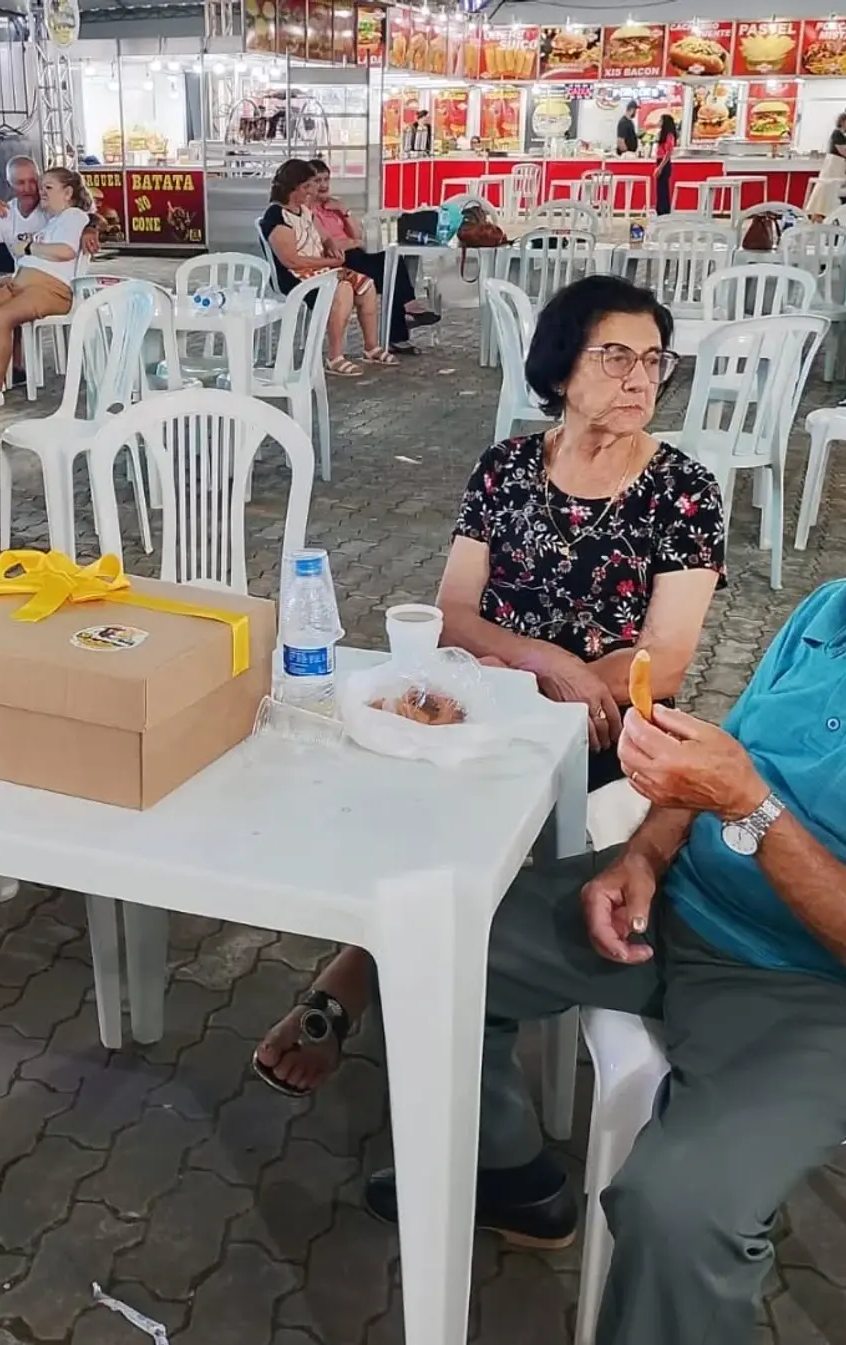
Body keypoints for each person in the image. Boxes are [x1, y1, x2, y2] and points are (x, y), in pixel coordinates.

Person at [254, 275, 726, 1096]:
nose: (640, 377)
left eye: (654, 359)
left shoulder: (682, 489)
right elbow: (455, 610)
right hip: (490, 701)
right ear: (560, 365)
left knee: (461, 833)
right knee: (374, 787)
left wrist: (538, 686)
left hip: (608, 729)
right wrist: (548, 665)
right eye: (616, 354)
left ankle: (377, 999)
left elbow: (664, 662)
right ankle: (391, 978)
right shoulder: (506, 466)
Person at [368, 577, 846, 1345]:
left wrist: (750, 803)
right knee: (431, 949)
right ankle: (506, 1175)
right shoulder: (830, 608)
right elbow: (723, 763)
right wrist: (644, 857)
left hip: (807, 988)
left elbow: (740, 786)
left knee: (682, 1213)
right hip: (677, 900)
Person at [0, 166, 92, 409]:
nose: (40, 191)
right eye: (41, 187)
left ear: (67, 193)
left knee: (1, 317)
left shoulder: (73, 216)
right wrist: (15, 272)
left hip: (51, 289)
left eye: (47, 187)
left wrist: (30, 248)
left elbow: (66, 251)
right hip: (21, 282)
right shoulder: (52, 221)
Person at [260, 159, 397, 377]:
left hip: (319, 270)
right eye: (307, 186)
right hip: (296, 278)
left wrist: (331, 245)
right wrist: (330, 263)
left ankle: (371, 346)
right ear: (294, 188)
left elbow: (323, 237)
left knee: (366, 285)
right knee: (342, 289)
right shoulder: (276, 216)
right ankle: (334, 357)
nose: (312, 190)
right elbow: (292, 261)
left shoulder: (304, 211)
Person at [307, 158, 438, 355]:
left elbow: (358, 236)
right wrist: (353, 243)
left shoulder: (333, 207)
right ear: (307, 184)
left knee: (391, 262)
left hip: (354, 254)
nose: (324, 185)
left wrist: (344, 212)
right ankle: (402, 325)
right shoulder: (308, 212)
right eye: (318, 181)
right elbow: (329, 244)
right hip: (336, 260)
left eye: (326, 179)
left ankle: (404, 318)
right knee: (388, 269)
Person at [806, 111, 846, 220]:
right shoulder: (837, 133)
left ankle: (826, 216)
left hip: (838, 166)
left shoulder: (842, 134)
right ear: (842, 121)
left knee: (831, 192)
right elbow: (843, 151)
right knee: (825, 190)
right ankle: (818, 216)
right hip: (833, 166)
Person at [653, 113, 678, 216]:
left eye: (661, 120)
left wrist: (660, 167)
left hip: (664, 163)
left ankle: (664, 211)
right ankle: (660, 210)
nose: (659, 122)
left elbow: (668, 153)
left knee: (663, 188)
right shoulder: (662, 135)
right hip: (660, 161)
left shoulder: (669, 135)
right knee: (660, 188)